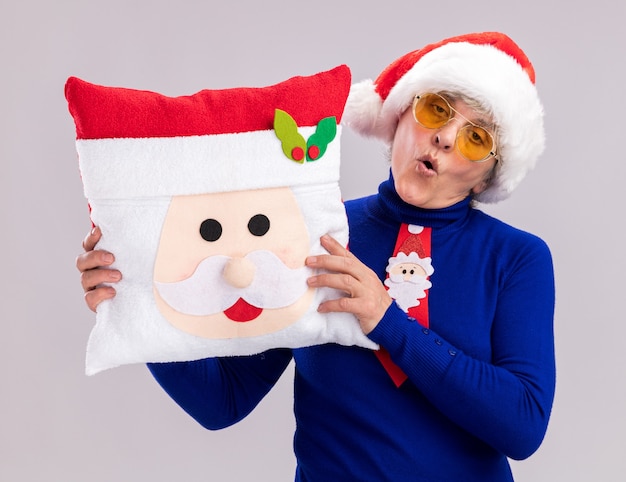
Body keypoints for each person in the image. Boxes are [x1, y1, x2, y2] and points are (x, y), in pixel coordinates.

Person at [76, 32, 555, 481]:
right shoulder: (313, 234)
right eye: (437, 110)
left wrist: (386, 321)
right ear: (400, 115)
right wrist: (137, 298)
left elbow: (523, 426)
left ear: (486, 176)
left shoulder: (518, 258)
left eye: (476, 137)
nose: (446, 138)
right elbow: (223, 401)